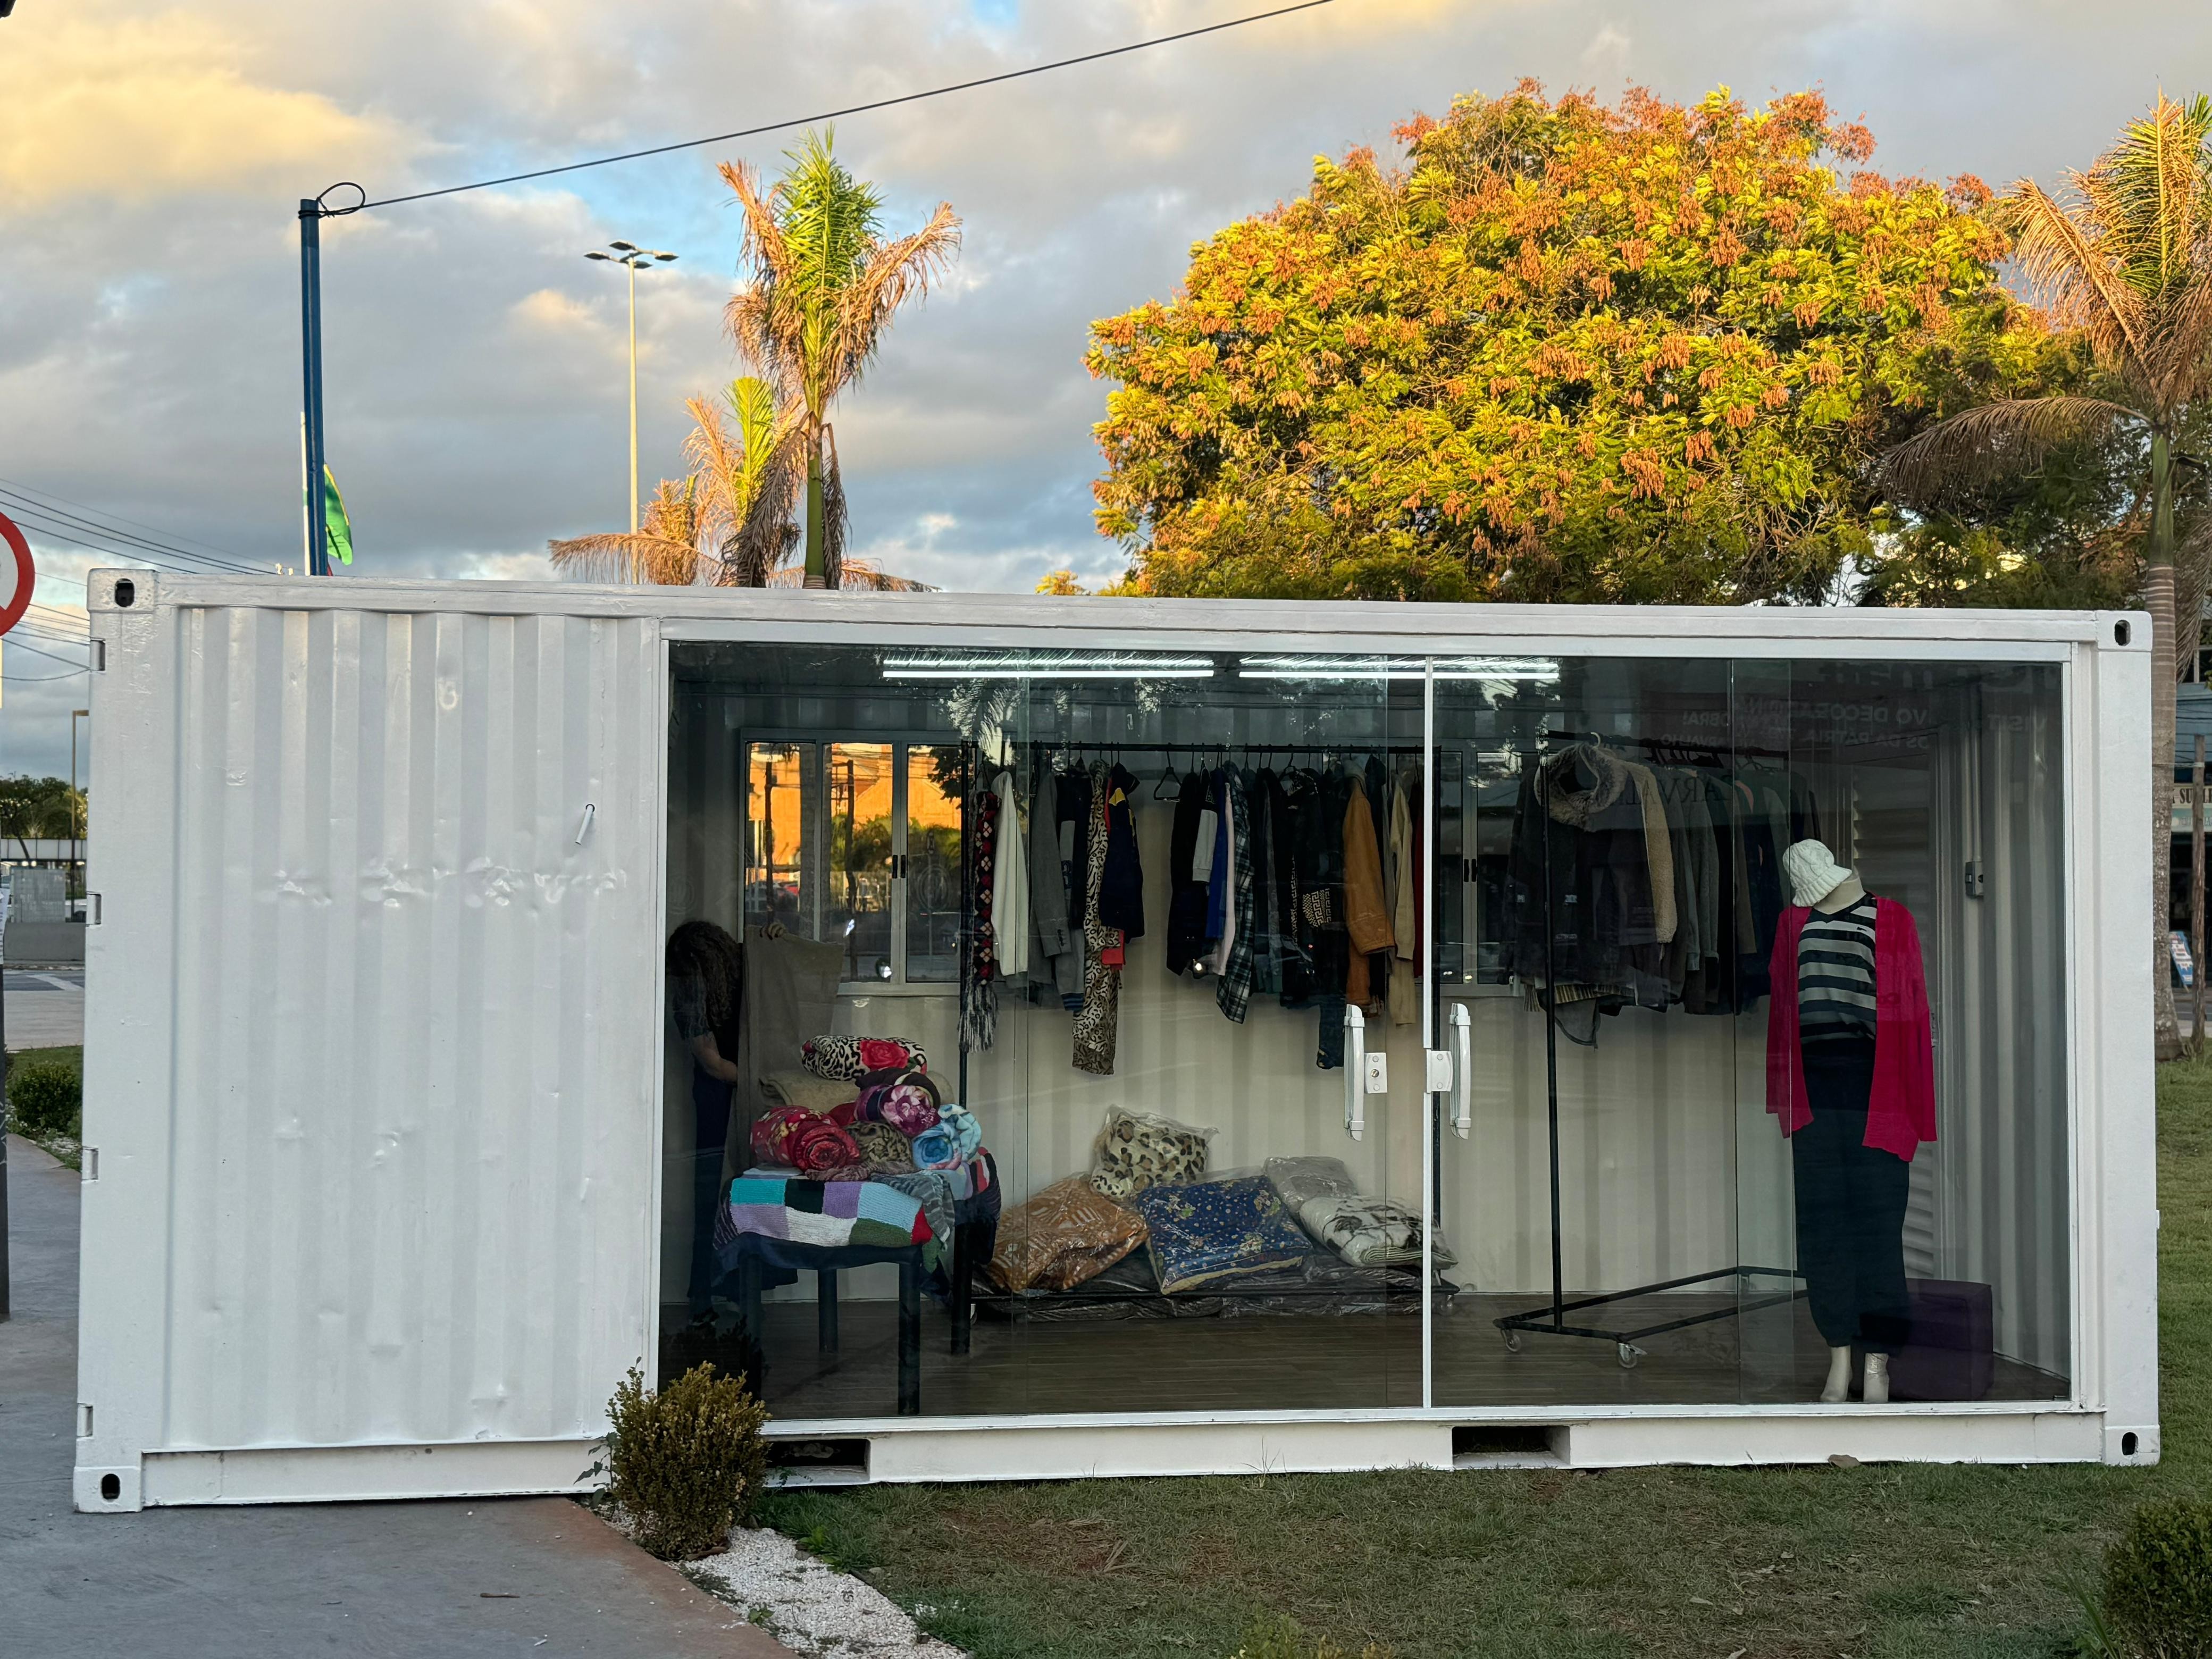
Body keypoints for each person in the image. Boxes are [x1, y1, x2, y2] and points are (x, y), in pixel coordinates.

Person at [667, 919, 745, 1317]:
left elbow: (711, 1060)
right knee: (720, 1186)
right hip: (725, 1085)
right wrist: (760, 1073)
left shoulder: (733, 965)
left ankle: (715, 1288)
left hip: (726, 1085)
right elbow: (713, 1064)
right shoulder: (693, 979)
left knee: (727, 1187)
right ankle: (708, 1289)